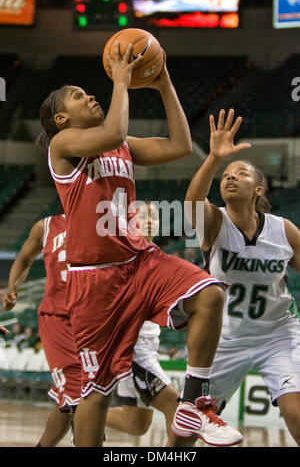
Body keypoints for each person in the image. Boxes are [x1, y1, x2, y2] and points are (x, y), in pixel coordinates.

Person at [37, 43, 243, 447]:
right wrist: (122, 81)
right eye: (80, 96)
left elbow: (179, 145)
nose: (91, 95)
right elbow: (111, 129)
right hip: (94, 281)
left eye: (90, 92)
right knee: (95, 391)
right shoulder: (61, 147)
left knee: (211, 294)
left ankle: (194, 404)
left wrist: (165, 84)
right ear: (62, 119)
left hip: (140, 261)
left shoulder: (122, 144)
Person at [185, 108, 300, 445]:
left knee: (296, 412)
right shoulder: (215, 223)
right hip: (224, 341)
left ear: (259, 189)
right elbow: (192, 203)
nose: (230, 177)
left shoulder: (284, 230)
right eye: (226, 175)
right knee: (185, 433)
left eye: (241, 173)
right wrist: (215, 158)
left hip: (278, 335)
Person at [1, 212, 82, 447]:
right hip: (58, 319)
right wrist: (12, 287)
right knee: (78, 394)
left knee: (70, 400)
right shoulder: (46, 226)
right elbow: (24, 259)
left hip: (92, 319)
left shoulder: (101, 222)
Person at [106, 201, 179, 438]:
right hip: (130, 347)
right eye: (143, 215)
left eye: (154, 216)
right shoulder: (121, 255)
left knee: (136, 424)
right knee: (177, 408)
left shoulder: (157, 257)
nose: (149, 220)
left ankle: (79, 412)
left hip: (149, 343)